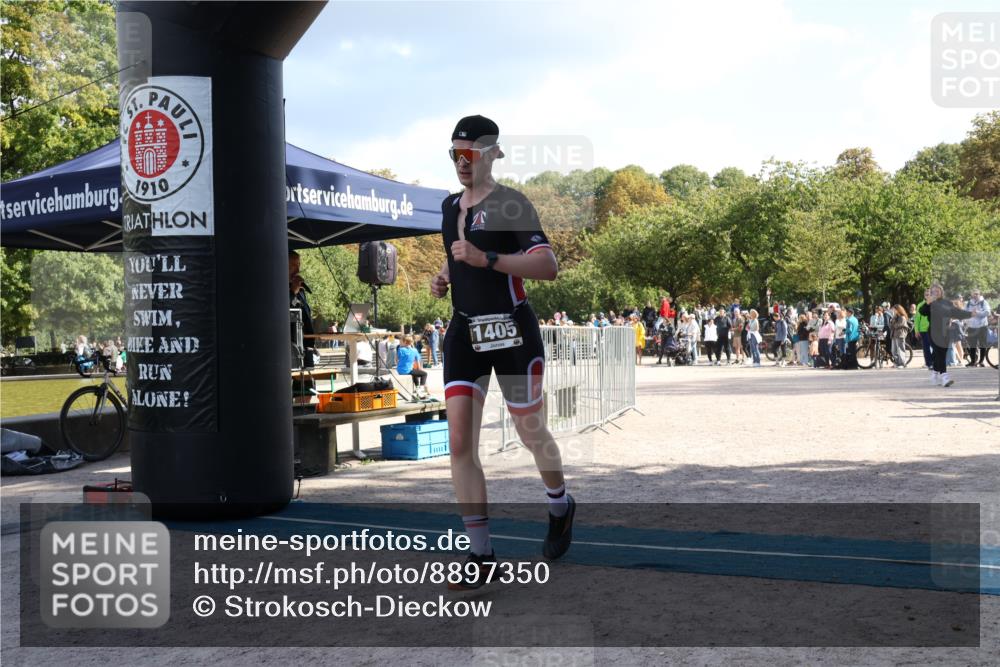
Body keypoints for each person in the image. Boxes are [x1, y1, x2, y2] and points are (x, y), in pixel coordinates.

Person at [430, 114, 572, 589]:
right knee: (459, 444)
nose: (461, 163)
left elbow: (547, 266)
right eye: (455, 154)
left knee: (531, 431)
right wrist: (446, 277)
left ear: (493, 154)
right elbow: (458, 257)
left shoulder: (512, 204)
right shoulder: (449, 206)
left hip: (513, 333)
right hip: (465, 334)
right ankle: (481, 553)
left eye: (469, 154)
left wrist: (486, 259)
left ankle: (559, 504)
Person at [919, 285, 973, 386]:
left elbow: (957, 312)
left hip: (945, 332)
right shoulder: (930, 303)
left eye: (938, 290)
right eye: (934, 291)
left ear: (941, 292)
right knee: (939, 354)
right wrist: (928, 303)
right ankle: (944, 377)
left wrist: (970, 314)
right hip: (933, 332)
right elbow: (922, 312)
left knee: (939, 354)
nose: (936, 292)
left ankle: (935, 374)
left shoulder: (947, 303)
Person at [964, 290, 992, 367]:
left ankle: (981, 361)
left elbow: (987, 312)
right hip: (971, 327)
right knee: (972, 345)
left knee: (982, 344)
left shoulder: (984, 302)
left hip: (982, 327)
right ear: (971, 295)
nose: (975, 295)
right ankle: (973, 361)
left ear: (979, 294)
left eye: (977, 294)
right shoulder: (968, 303)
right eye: (974, 294)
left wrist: (978, 313)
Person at [913, 290, 933, 369]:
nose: (927, 296)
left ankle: (934, 362)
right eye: (926, 295)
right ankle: (929, 364)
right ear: (924, 296)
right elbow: (917, 319)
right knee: (926, 348)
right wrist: (916, 330)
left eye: (929, 294)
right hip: (923, 330)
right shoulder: (920, 305)